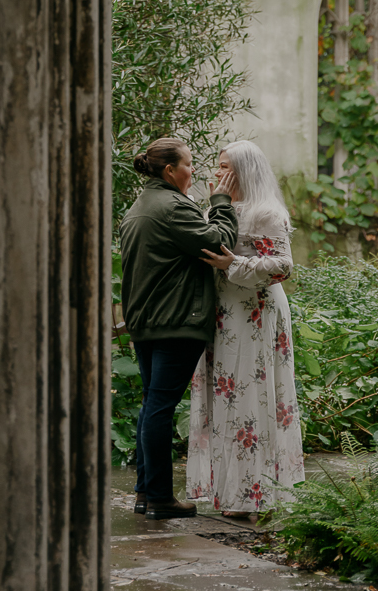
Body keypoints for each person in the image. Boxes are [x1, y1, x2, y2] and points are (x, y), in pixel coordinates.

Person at [119, 136, 239, 520]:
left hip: (148, 321)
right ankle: (159, 497)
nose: (195, 171)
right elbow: (219, 245)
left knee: (152, 404)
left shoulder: (140, 206)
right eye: (189, 163)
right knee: (160, 406)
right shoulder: (172, 207)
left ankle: (145, 493)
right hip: (174, 321)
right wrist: (221, 204)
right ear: (170, 170)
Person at [186, 140, 305, 519]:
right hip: (223, 312)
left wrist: (232, 263)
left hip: (255, 311)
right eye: (218, 166)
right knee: (226, 398)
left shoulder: (267, 213)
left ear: (245, 170)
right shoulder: (218, 210)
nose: (218, 174)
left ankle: (254, 495)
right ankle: (228, 490)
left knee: (252, 395)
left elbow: (283, 267)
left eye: (226, 168)